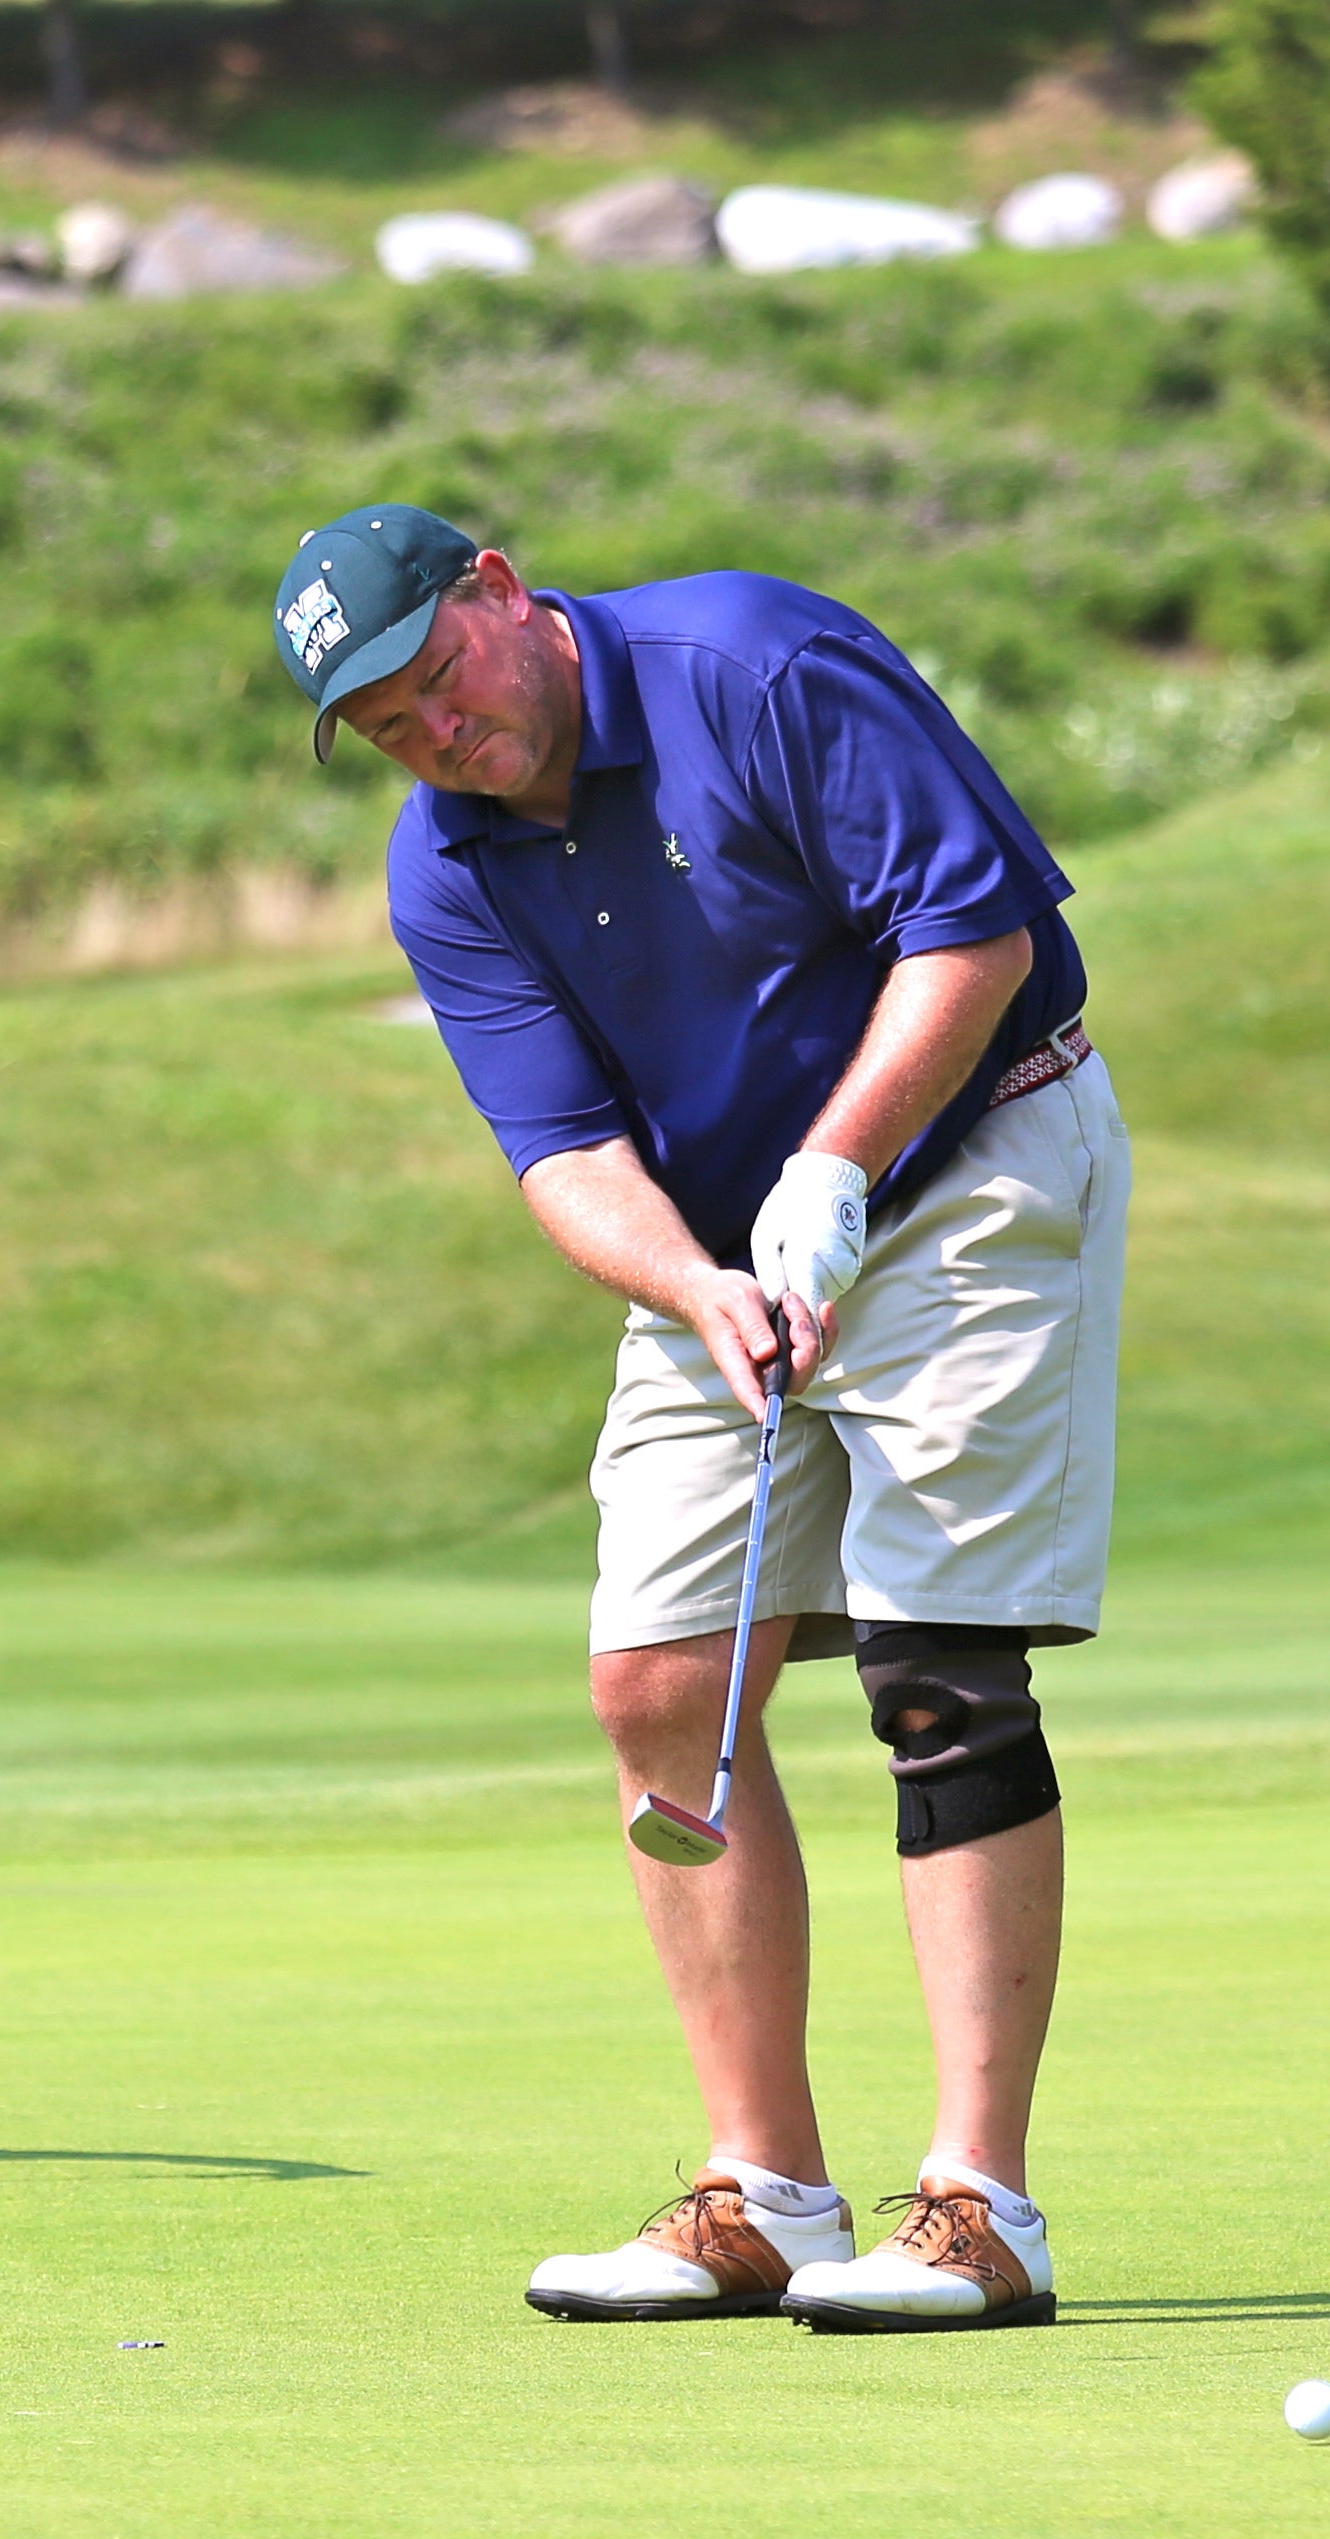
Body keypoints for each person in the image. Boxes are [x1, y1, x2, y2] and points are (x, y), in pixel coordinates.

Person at [278, 502, 1130, 2332]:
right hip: (720, 1243)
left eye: (435, 680)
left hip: (974, 1152)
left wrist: (835, 1169)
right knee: (660, 1684)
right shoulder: (446, 863)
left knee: (937, 1663)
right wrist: (695, 1284)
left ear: (499, 592)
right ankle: (768, 2191)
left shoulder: (754, 663)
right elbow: (562, 1149)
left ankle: (981, 2205)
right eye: (386, 726)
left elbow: (969, 941)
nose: (435, 737)